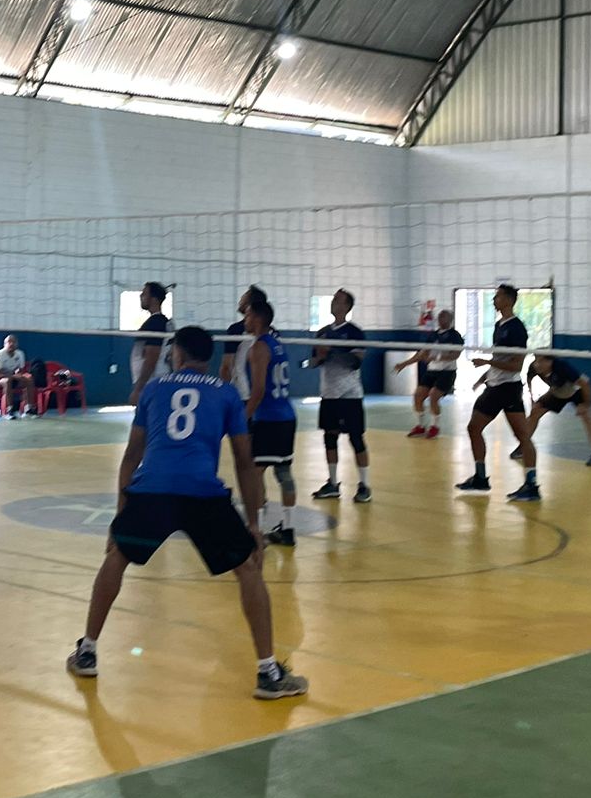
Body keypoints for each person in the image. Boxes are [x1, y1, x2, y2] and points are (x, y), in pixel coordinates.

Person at [65, 326, 307, 700]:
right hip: (202, 492)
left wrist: (120, 515)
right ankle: (268, 672)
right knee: (248, 568)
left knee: (117, 556)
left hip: (153, 490)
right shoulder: (226, 393)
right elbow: (244, 462)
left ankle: (88, 652)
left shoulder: (153, 389)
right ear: (208, 358)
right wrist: (253, 525)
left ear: (177, 354)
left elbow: (131, 456)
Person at [456, 284, 539, 501]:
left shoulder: (517, 328)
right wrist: (483, 377)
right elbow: (499, 360)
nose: (494, 299)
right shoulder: (498, 326)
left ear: (509, 300)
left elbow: (516, 365)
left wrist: (487, 362)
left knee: (521, 436)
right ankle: (480, 478)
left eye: (498, 296)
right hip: (494, 387)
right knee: (474, 428)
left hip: (508, 388)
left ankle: (531, 485)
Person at [240, 288, 300, 548]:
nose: (244, 319)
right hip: (286, 415)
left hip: (269, 418)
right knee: (283, 472)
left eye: (247, 315)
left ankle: (256, 529)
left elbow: (258, 390)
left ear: (257, 318)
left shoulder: (259, 348)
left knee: (254, 472)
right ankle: (288, 528)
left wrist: (243, 418)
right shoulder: (277, 343)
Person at [309, 289, 370, 503]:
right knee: (330, 437)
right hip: (329, 393)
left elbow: (356, 362)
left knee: (356, 438)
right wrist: (319, 357)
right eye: (333, 300)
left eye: (338, 300)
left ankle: (364, 485)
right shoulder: (322, 332)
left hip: (350, 394)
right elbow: (313, 362)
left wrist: (332, 351)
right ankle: (333, 484)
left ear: (347, 306)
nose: (333, 303)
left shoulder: (355, 332)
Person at [516, 354, 591, 467]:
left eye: (541, 361)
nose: (537, 364)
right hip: (556, 392)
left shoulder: (562, 367)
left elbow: (585, 383)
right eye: (536, 360)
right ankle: (524, 446)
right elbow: (529, 379)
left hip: (574, 390)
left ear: (550, 362)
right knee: (535, 411)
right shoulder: (533, 367)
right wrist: (532, 399)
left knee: (586, 415)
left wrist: (586, 405)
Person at [395, 308, 464, 438]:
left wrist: (436, 357)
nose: (440, 318)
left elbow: (455, 355)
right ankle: (420, 426)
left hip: (447, 372)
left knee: (433, 396)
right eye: (439, 316)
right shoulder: (433, 335)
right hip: (432, 371)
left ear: (450, 319)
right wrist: (404, 364)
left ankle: (435, 426)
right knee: (418, 396)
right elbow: (422, 353)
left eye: (444, 316)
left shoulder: (455, 336)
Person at [128, 281, 171, 407]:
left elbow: (151, 358)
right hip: (156, 382)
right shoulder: (162, 322)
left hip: (152, 383)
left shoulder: (156, 323)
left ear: (154, 299)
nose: (141, 296)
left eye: (144, 294)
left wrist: (138, 389)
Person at [0, 334, 35, 416]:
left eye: (13, 342)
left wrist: (20, 375)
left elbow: (20, 370)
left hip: (13, 377)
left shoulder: (20, 354)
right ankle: (9, 409)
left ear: (17, 344)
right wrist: (13, 376)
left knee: (29, 379)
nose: (11, 344)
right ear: (4, 344)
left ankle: (29, 408)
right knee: (8, 381)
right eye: (9, 342)